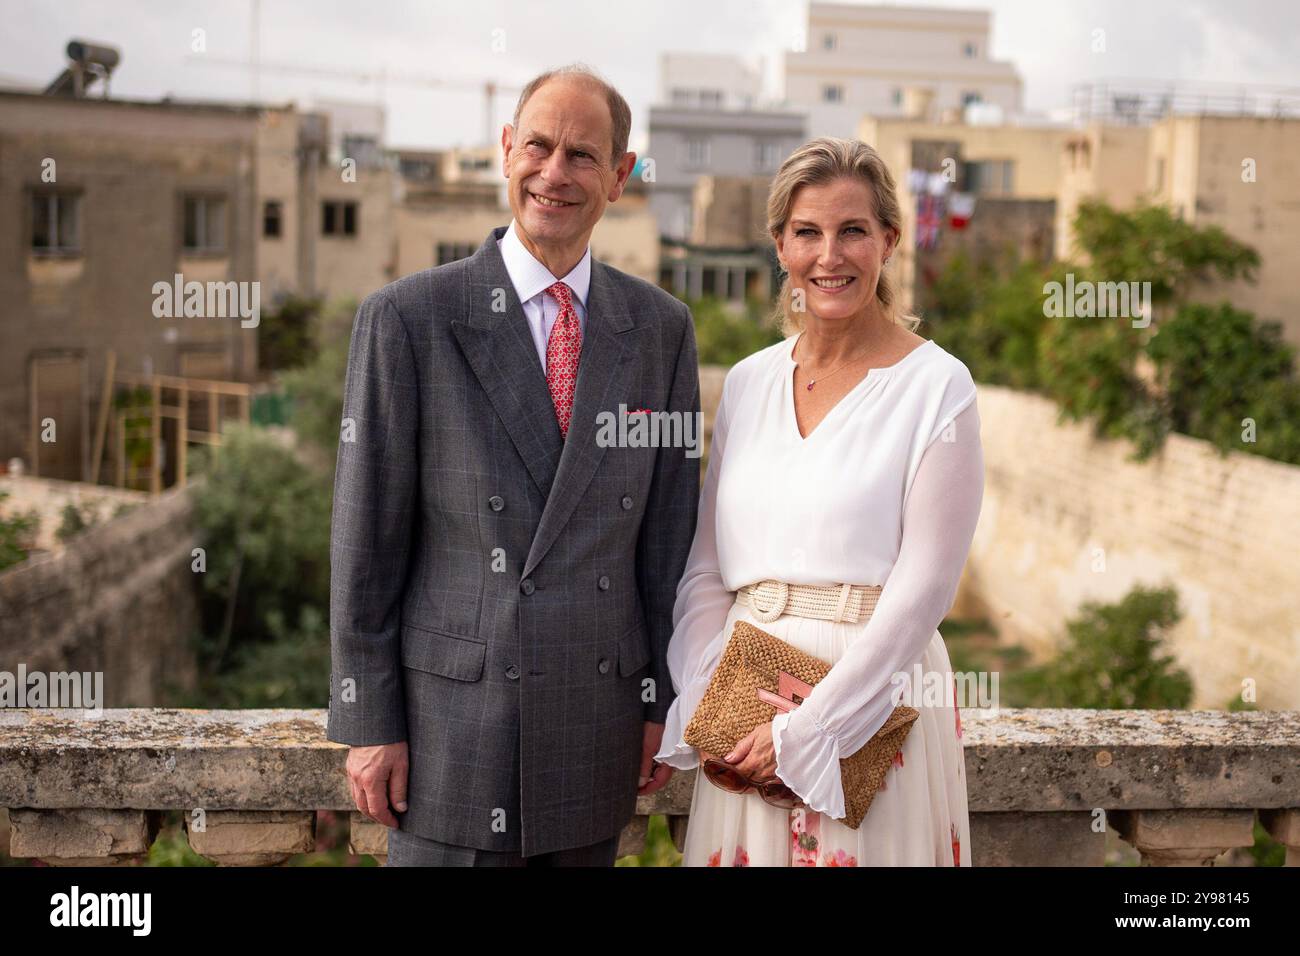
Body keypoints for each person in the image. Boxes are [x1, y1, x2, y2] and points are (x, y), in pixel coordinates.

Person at [327, 64, 699, 866]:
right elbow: (365, 541)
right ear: (505, 151)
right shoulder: (407, 319)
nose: (555, 173)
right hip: (446, 739)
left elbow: (668, 541)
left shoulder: (661, 329)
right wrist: (368, 721)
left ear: (620, 176)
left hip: (594, 729)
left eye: (583, 155)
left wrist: (657, 701)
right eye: (538, 145)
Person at [654, 137, 983, 867]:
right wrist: (710, 697)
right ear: (780, 245)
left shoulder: (939, 387)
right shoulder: (746, 382)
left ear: (888, 241)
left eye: (853, 231)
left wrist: (811, 732)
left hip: (874, 708)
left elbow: (925, 587)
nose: (829, 255)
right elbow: (707, 567)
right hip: (744, 710)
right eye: (808, 232)